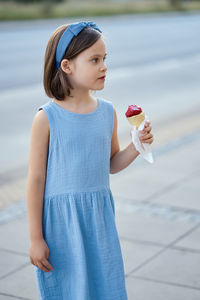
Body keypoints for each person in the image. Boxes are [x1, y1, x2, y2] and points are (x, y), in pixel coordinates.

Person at [26, 21, 153, 300]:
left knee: (104, 285)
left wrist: (137, 145)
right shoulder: (46, 118)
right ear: (67, 66)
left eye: (104, 59)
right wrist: (36, 238)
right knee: (67, 289)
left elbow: (111, 163)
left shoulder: (107, 112)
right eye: (94, 60)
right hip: (61, 224)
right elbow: (35, 181)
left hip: (98, 219)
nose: (103, 66)